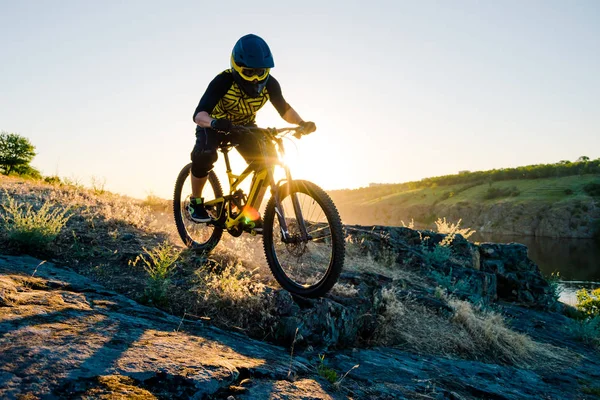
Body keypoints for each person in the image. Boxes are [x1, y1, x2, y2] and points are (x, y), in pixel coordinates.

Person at [189, 33, 316, 230]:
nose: (256, 78)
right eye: (249, 72)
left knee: (268, 162)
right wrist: (214, 123)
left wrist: (301, 123)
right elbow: (199, 115)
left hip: (244, 127)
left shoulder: (271, 84)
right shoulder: (223, 81)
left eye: (261, 71)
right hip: (213, 125)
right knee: (205, 156)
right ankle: (195, 203)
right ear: (236, 68)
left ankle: (250, 213)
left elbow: (285, 109)